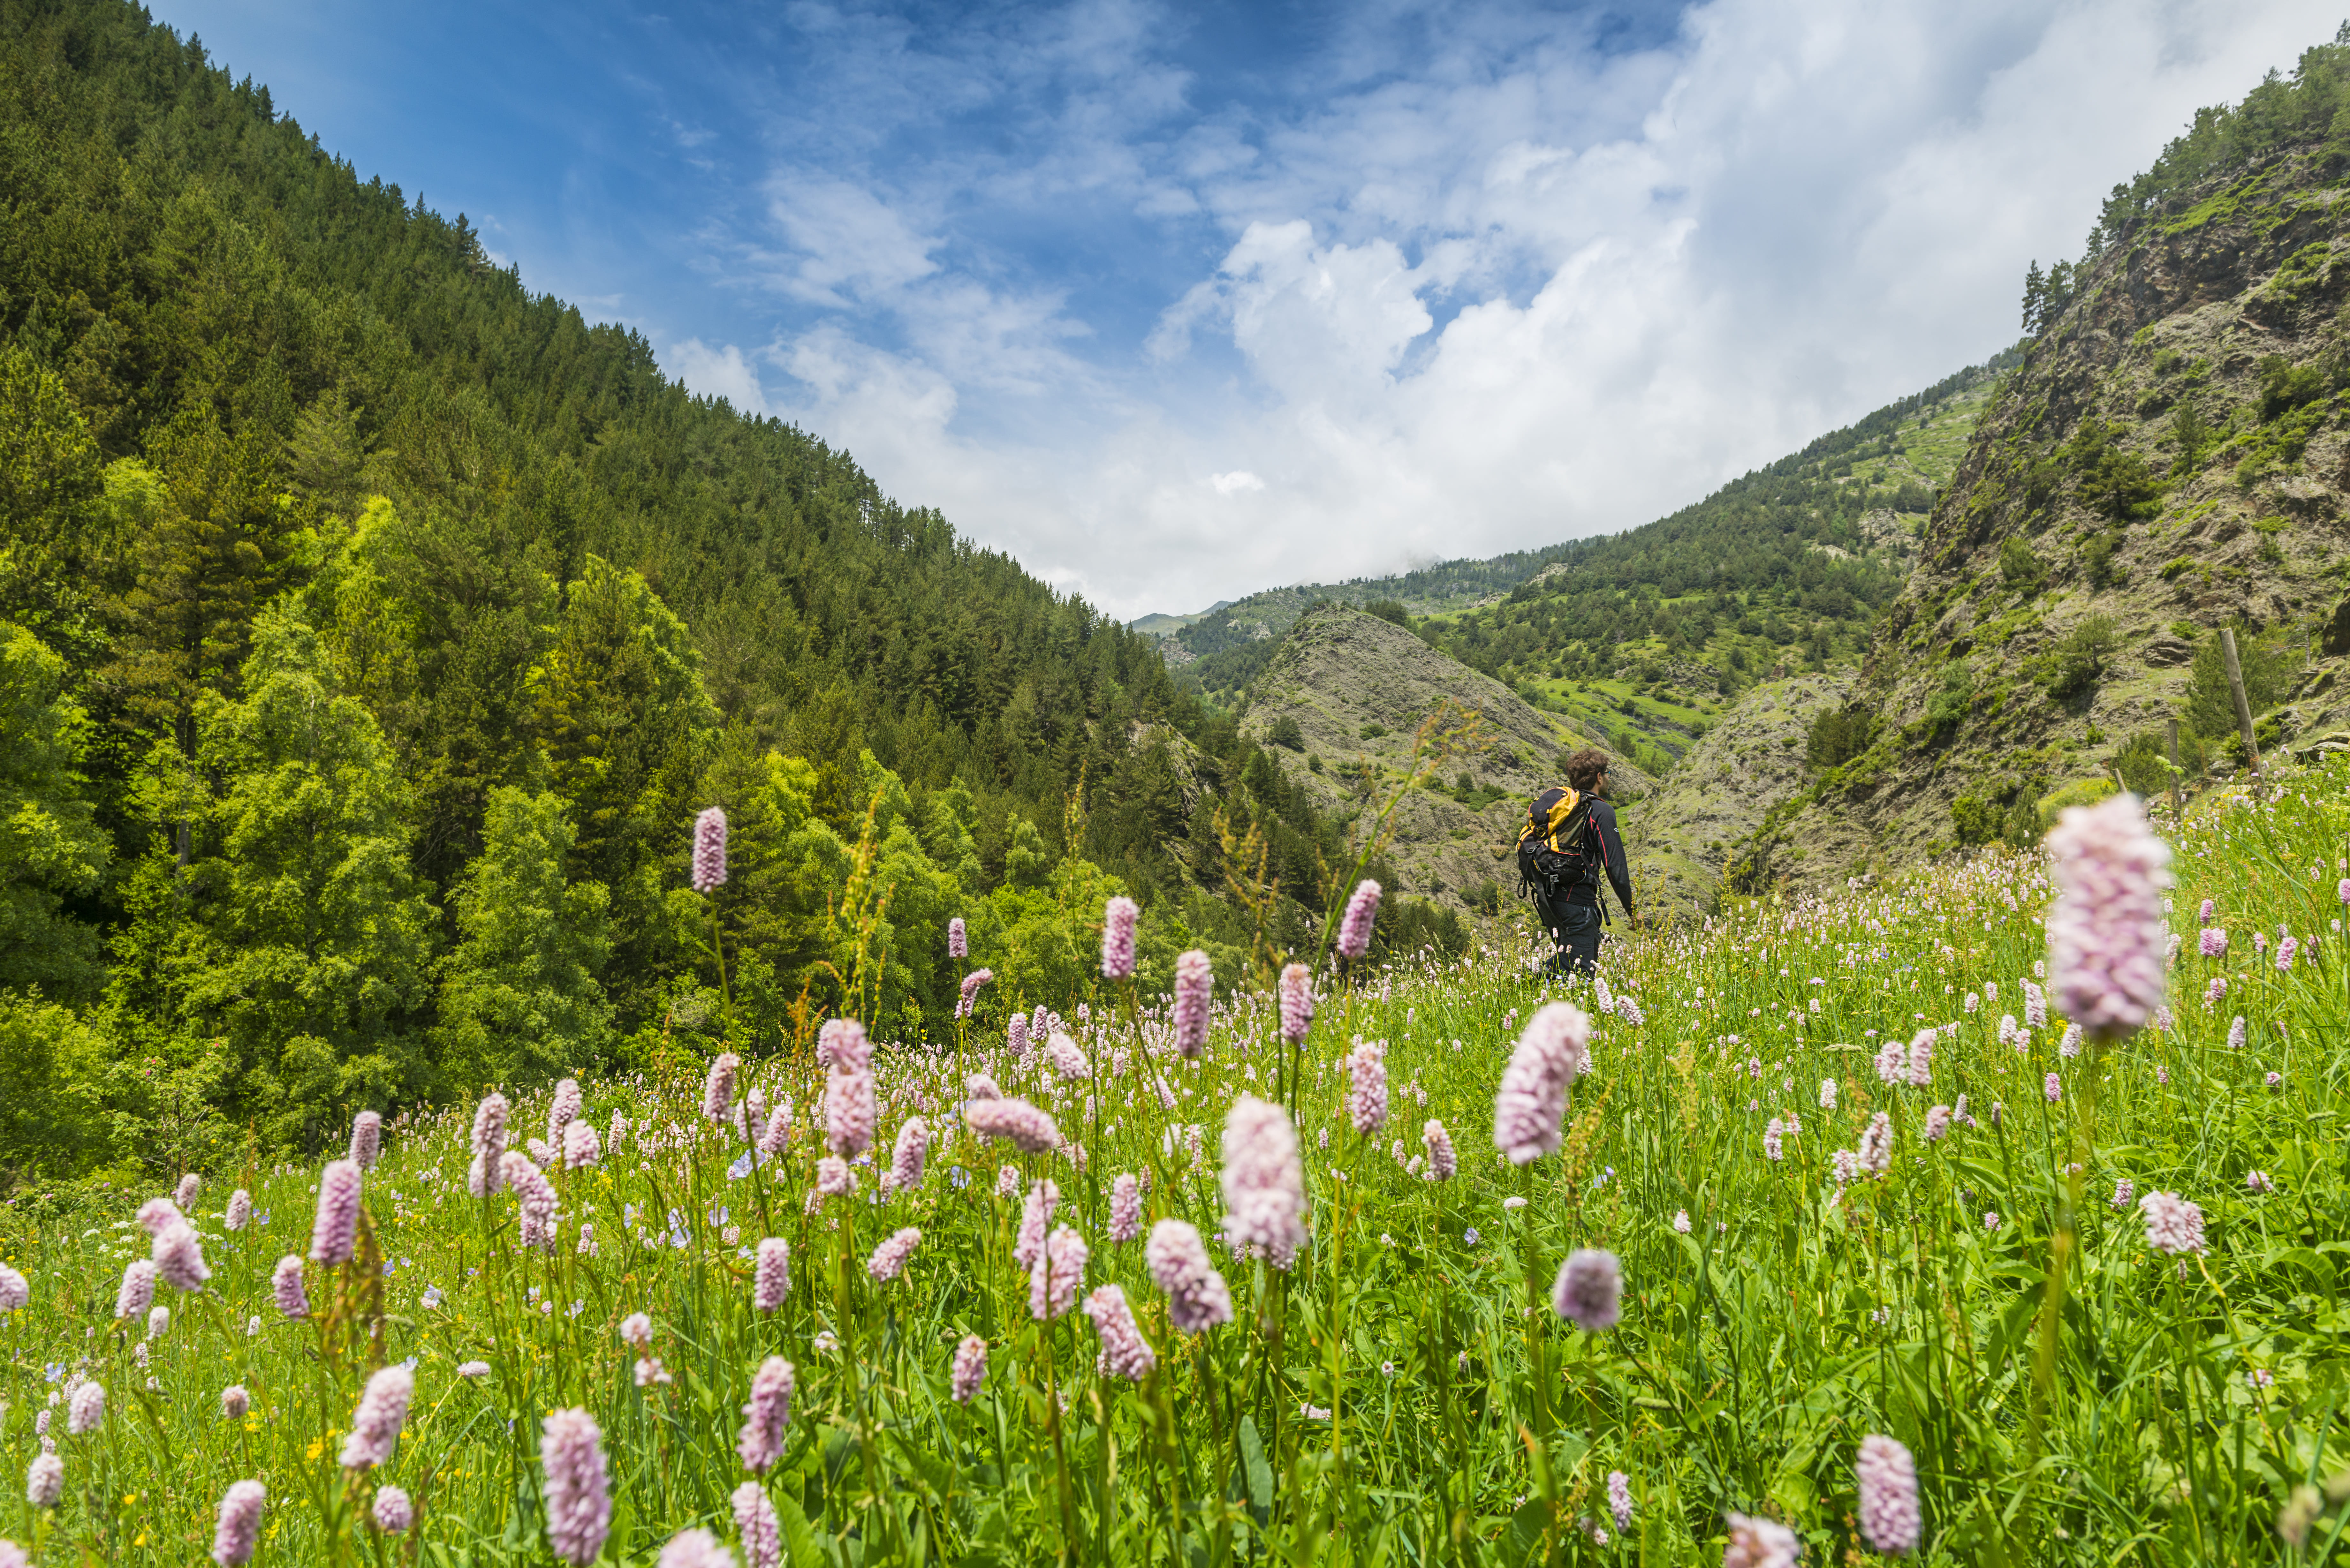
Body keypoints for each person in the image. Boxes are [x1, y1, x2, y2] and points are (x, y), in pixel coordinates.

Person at [1519, 747, 1636, 974]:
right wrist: (1632, 910)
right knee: (1581, 973)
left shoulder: (1563, 810)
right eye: (1608, 773)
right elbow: (1615, 866)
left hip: (1549, 898)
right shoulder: (1600, 810)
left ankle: (1525, 988)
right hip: (1577, 902)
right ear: (1599, 777)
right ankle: (1524, 985)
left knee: (1567, 963)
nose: (1609, 778)